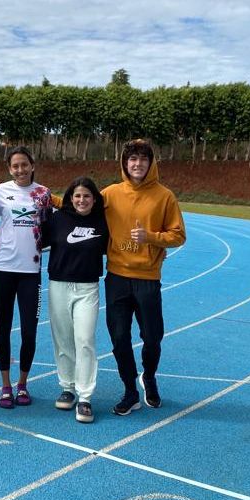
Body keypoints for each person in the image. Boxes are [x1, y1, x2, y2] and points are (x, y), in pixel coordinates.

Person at [102, 138, 186, 416]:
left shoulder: (164, 196)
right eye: (132, 159)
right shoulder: (111, 193)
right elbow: (80, 204)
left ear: (151, 163)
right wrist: (47, 197)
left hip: (147, 278)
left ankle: (148, 375)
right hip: (116, 277)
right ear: (125, 163)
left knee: (152, 337)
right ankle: (130, 390)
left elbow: (178, 235)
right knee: (119, 338)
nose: (137, 164)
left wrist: (150, 237)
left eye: (143, 159)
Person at [0, 146, 55, 409]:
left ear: (32, 165)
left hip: (31, 273)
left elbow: (50, 231)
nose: (20, 170)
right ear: (9, 168)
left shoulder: (43, 194)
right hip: (3, 268)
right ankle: (5, 386)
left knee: (29, 330)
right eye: (15, 166)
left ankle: (22, 384)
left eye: (24, 164)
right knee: (3, 327)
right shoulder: (1, 191)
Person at [41, 177, 108, 423]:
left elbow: (118, 245)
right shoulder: (57, 219)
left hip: (87, 288)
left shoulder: (103, 221)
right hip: (59, 285)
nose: (82, 200)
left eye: (87, 196)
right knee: (63, 340)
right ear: (70, 197)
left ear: (94, 199)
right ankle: (67, 387)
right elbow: (36, 239)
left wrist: (154, 251)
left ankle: (85, 396)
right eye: (77, 196)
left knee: (85, 340)